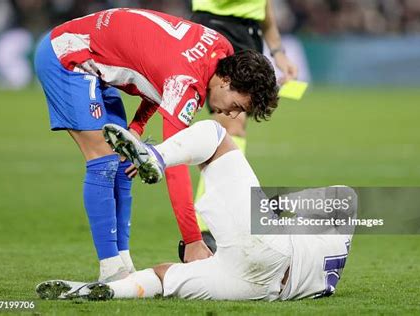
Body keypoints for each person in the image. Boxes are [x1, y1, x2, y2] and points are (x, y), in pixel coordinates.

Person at [34, 8, 279, 282]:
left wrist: (137, 128)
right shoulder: (187, 84)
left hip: (94, 54)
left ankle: (123, 263)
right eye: (236, 106)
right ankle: (110, 269)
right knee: (103, 161)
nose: (232, 114)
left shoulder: (220, 47)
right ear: (226, 81)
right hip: (67, 54)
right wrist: (192, 240)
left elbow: (160, 74)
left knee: (125, 159)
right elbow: (175, 167)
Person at [36, 120, 355, 301]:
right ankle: (100, 290)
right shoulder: (328, 271)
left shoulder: (334, 223)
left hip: (267, 255)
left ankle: (154, 156)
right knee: (163, 275)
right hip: (262, 289)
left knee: (216, 136)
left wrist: (273, 209)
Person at [189, 0, 298, 250]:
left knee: (234, 127)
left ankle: (219, 217)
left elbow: (263, 5)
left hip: (250, 34)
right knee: (230, 124)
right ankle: (206, 227)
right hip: (216, 27)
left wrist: (278, 51)